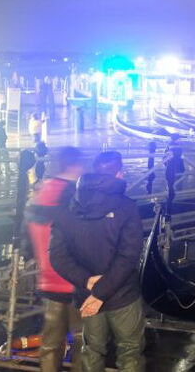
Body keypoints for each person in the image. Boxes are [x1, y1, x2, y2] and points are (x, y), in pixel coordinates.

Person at [49, 151, 145, 372]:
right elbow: (128, 256)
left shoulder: (67, 209)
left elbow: (57, 256)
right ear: (119, 173)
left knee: (91, 351)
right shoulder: (127, 207)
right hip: (123, 296)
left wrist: (88, 282)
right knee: (130, 351)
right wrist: (101, 292)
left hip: (86, 295)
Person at [26, 147, 85, 372]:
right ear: (76, 164)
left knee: (51, 340)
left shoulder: (40, 194)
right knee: (83, 338)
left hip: (48, 279)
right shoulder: (75, 195)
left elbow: (27, 240)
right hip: (76, 279)